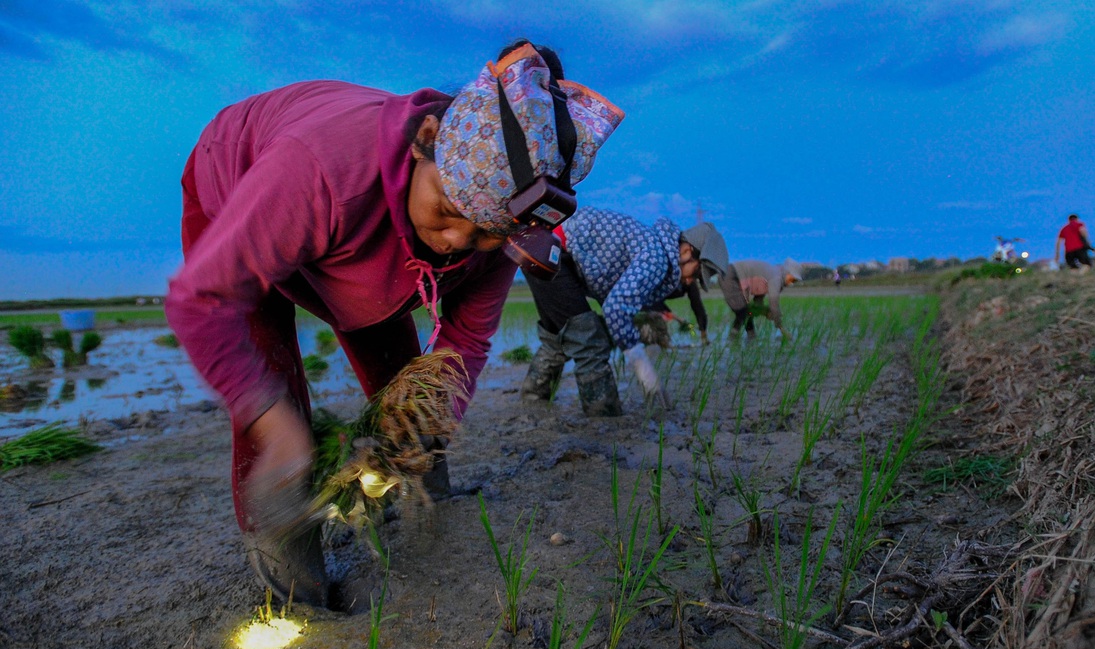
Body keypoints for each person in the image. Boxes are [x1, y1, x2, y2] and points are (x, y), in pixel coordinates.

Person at [164, 42, 623, 608]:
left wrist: (425, 434)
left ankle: (429, 496)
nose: (459, 242)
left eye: (486, 234)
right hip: (238, 180)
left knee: (407, 382)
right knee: (274, 390)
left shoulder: (496, 231)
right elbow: (200, 301)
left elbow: (466, 344)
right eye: (451, 212)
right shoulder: (318, 170)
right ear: (425, 141)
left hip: (357, 236)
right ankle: (290, 555)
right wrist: (272, 421)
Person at [519, 208, 728, 416]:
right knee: (590, 341)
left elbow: (614, 296)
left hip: (540, 247)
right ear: (686, 251)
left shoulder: (651, 246)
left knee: (560, 335)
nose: (692, 281)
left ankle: (533, 401)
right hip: (553, 252)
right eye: (697, 273)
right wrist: (643, 366)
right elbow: (616, 307)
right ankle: (604, 420)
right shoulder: (657, 257)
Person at [720, 258, 803, 340]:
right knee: (742, 311)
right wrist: (778, 323)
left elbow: (757, 302)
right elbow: (774, 303)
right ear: (787, 272)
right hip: (729, 276)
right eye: (792, 279)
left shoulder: (772, 275)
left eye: (795, 281)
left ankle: (751, 337)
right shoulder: (776, 277)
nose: (792, 283)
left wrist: (766, 312)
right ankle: (731, 340)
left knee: (748, 312)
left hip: (730, 275)